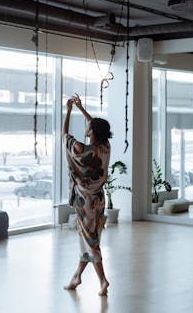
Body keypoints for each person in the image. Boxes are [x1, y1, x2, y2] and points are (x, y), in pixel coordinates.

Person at [63, 93, 112, 296]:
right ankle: (77, 276)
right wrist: (82, 108)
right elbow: (95, 124)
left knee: (90, 241)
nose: (87, 125)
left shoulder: (82, 150)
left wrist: (68, 112)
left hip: (85, 203)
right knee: (88, 238)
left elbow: (65, 136)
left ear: (91, 132)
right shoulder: (104, 148)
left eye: (89, 126)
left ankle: (103, 280)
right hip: (98, 200)